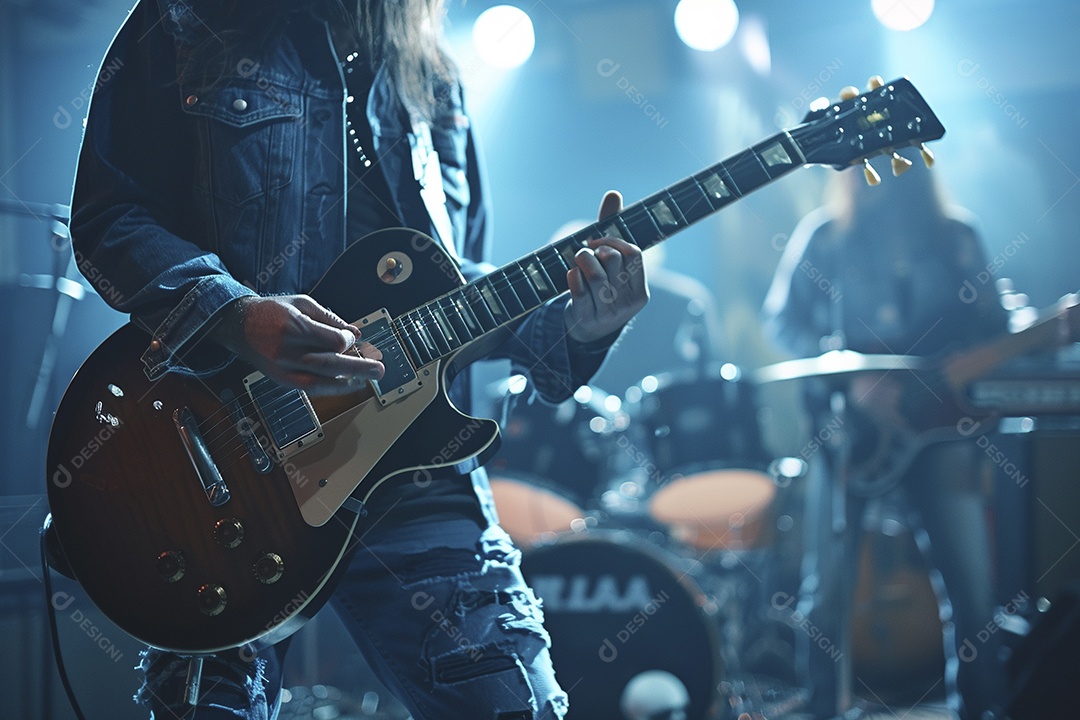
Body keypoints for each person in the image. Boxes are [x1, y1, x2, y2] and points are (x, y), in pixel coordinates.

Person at [68, 1, 648, 717]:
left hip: (414, 475)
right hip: (226, 466)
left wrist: (580, 326)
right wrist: (235, 317)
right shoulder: (188, 18)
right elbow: (110, 215)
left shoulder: (431, 73)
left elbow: (457, 287)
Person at [762, 151, 1009, 719]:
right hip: (852, 436)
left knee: (972, 591)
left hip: (942, 433)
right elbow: (782, 320)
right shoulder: (825, 236)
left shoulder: (957, 237)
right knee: (827, 591)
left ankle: (983, 709)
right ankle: (824, 708)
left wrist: (984, 350)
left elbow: (994, 326)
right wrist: (849, 374)